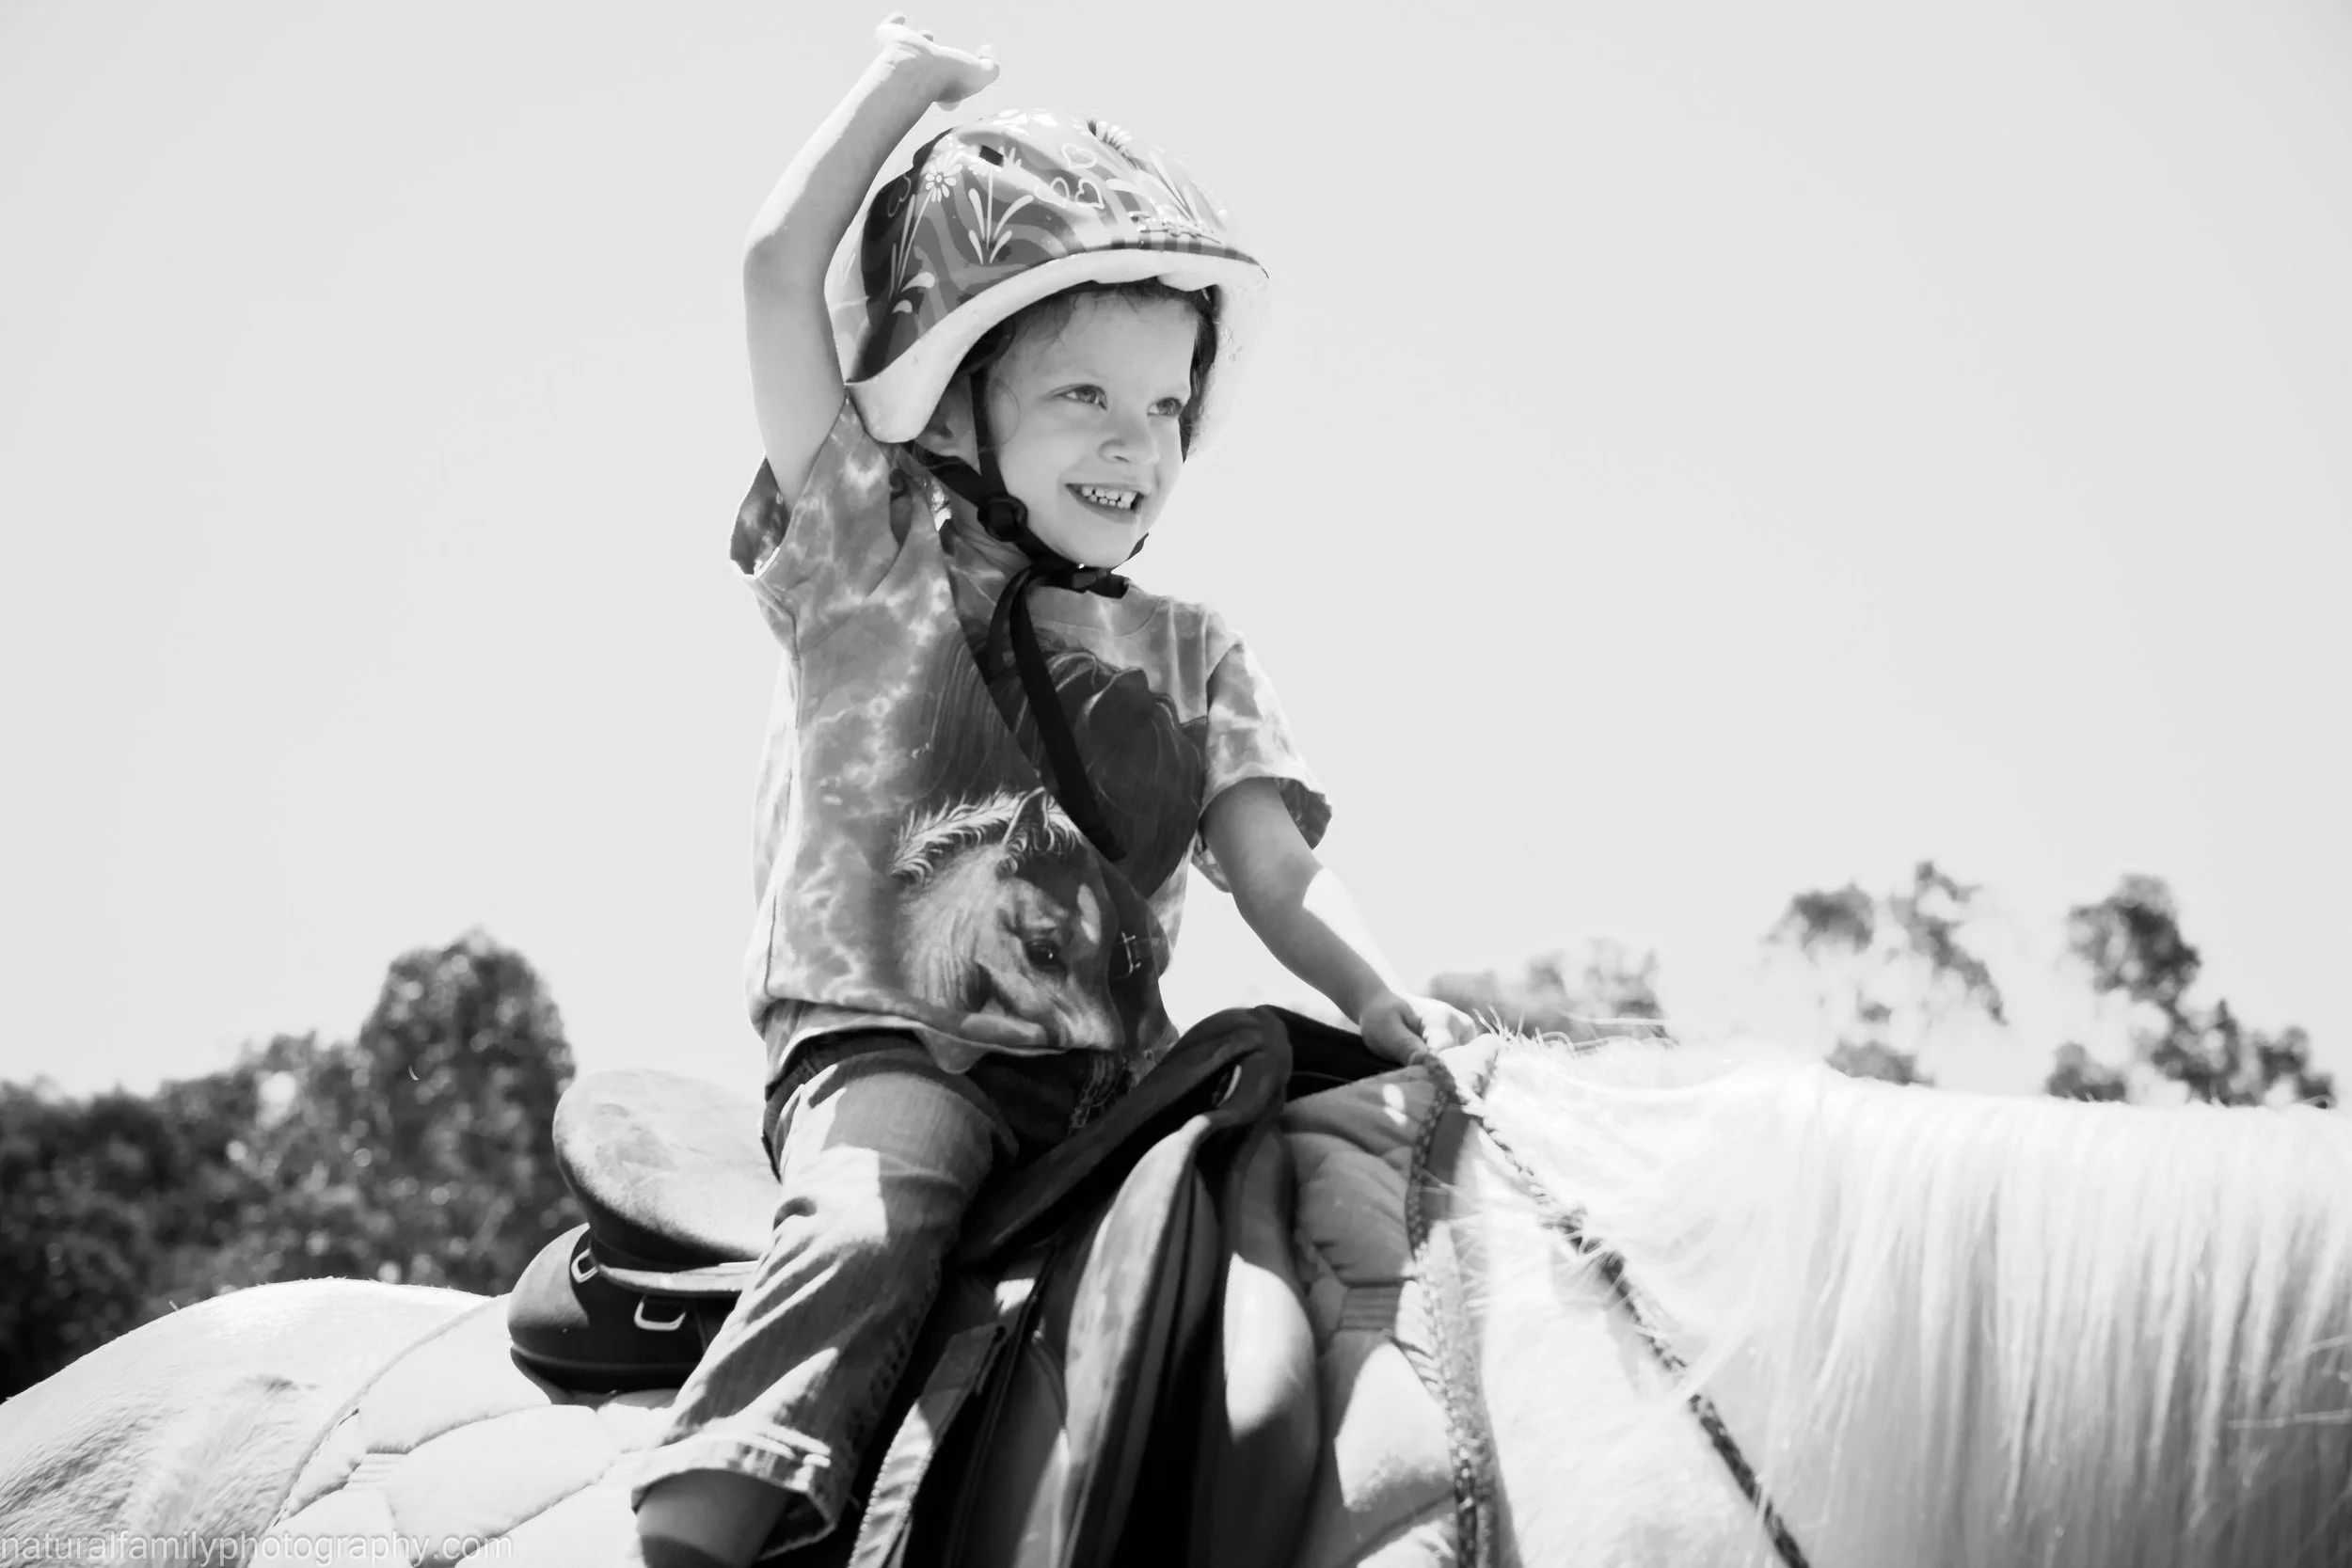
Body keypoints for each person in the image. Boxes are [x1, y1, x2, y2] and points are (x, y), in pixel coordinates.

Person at [632, 17, 1476, 1566]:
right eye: (1084, 395)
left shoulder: (1196, 651)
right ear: (952, 397)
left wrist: (1381, 998)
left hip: (1110, 1095)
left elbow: (1275, 876)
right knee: (874, 1222)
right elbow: (772, 270)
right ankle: (701, 1521)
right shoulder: (867, 553)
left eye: (1166, 410)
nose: (1136, 445)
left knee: (1299, 1241)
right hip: (906, 1052)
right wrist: (899, 92)